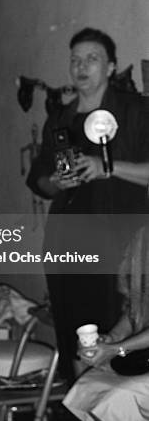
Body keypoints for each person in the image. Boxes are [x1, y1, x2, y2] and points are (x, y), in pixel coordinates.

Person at [27, 28, 149, 384]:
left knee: (117, 329)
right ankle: (86, 412)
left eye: (92, 59)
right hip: (67, 243)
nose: (81, 66)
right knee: (76, 329)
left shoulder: (136, 111)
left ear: (110, 66)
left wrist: (105, 167)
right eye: (75, 59)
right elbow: (39, 179)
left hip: (122, 244)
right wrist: (55, 182)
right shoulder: (60, 119)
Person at [63, 223, 149, 421]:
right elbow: (134, 310)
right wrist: (112, 339)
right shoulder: (143, 238)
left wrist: (115, 348)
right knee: (88, 383)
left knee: (120, 397)